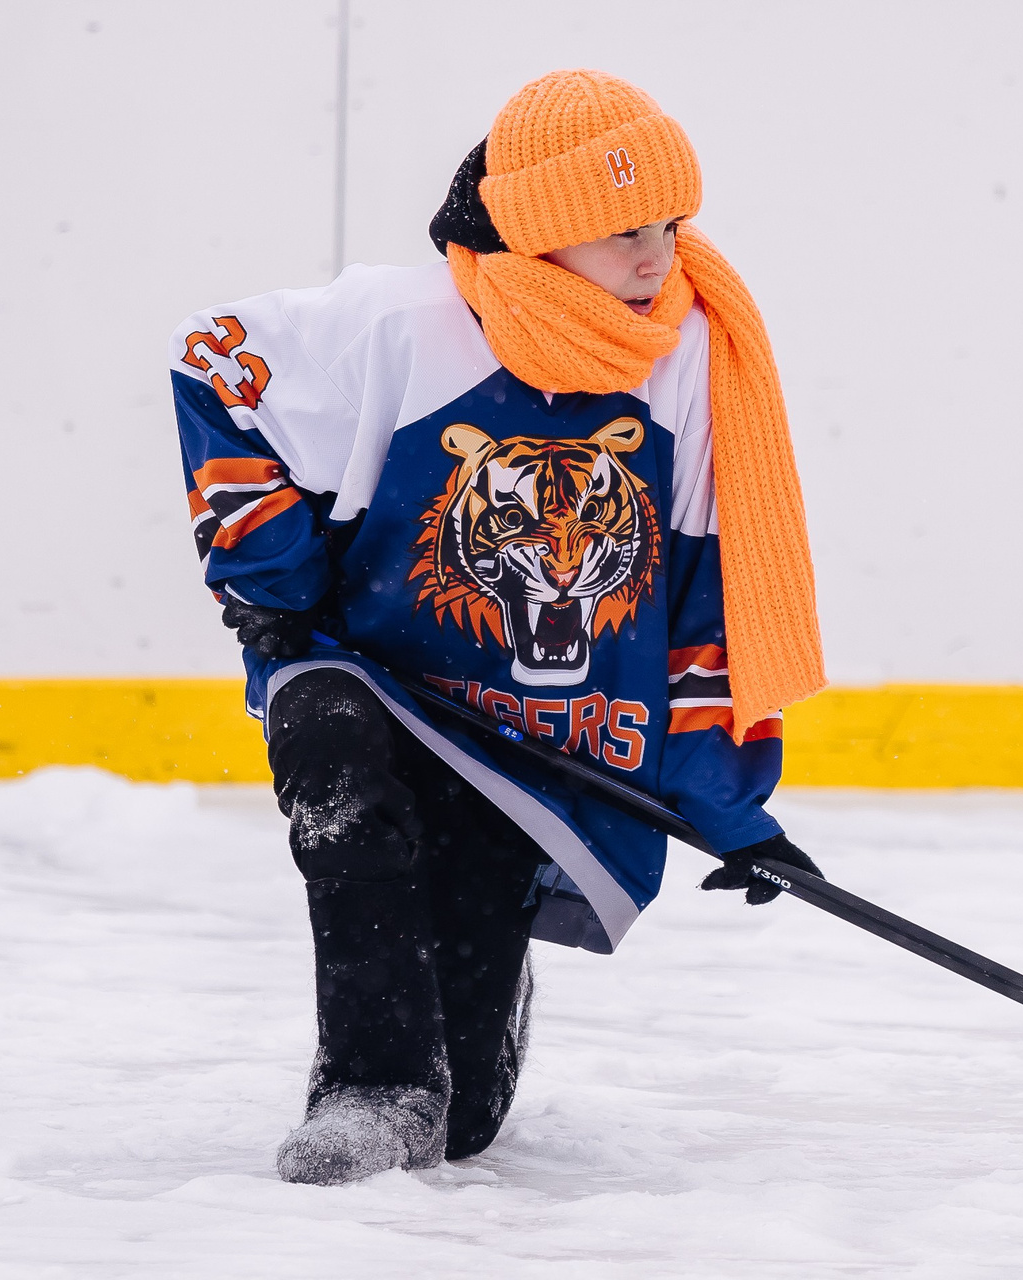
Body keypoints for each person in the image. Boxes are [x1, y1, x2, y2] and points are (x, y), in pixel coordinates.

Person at [168, 69, 827, 1185]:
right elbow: (213, 362)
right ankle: (372, 1086)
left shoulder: (685, 360)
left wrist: (727, 805)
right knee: (341, 783)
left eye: (671, 224)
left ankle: (474, 1032)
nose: (659, 255)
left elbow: (704, 588)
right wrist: (273, 584)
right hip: (362, 669)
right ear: (541, 228)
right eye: (624, 230)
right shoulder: (397, 323)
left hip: (528, 731)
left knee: (467, 1121)